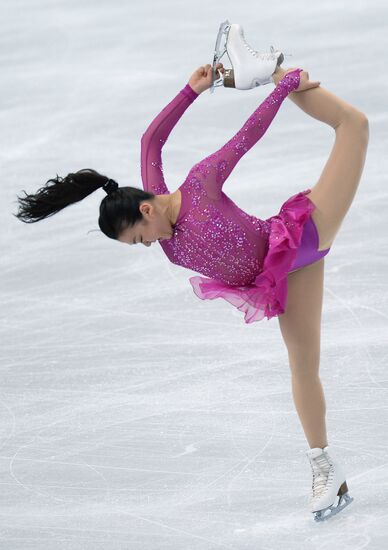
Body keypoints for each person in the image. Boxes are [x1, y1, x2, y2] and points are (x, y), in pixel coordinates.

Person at [14, 58, 369, 520]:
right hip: (280, 276)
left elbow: (246, 137)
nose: (150, 246)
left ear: (146, 211)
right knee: (304, 367)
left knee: (354, 125)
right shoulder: (158, 212)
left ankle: (276, 66)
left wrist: (284, 88)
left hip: (302, 236)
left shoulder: (200, 184)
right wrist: (189, 91)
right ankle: (325, 468)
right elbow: (151, 141)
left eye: (141, 238)